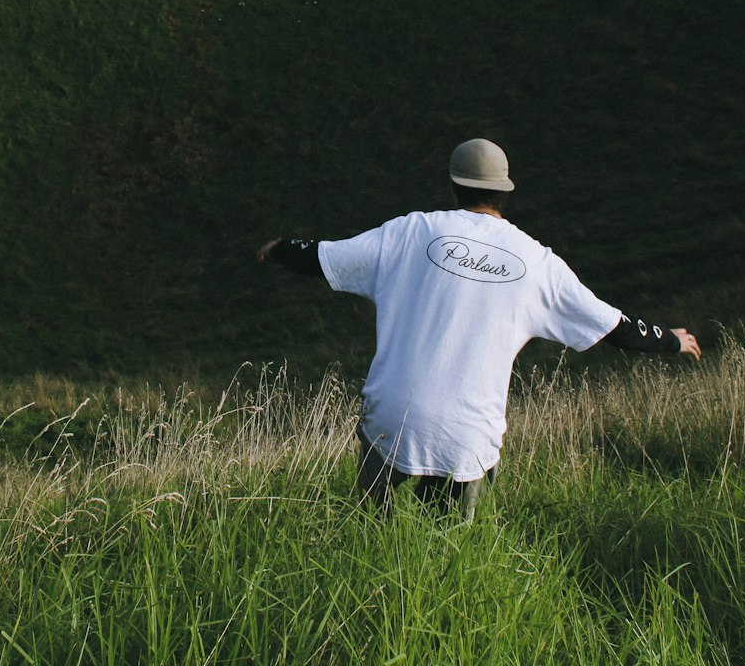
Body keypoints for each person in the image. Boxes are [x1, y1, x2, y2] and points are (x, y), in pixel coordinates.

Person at [257, 138, 701, 522]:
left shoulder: (411, 232)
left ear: (453, 184)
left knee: (372, 528)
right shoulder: (538, 264)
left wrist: (279, 247)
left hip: (391, 421)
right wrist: (670, 340)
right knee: (449, 546)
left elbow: (320, 258)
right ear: (505, 191)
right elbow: (613, 327)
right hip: (466, 435)